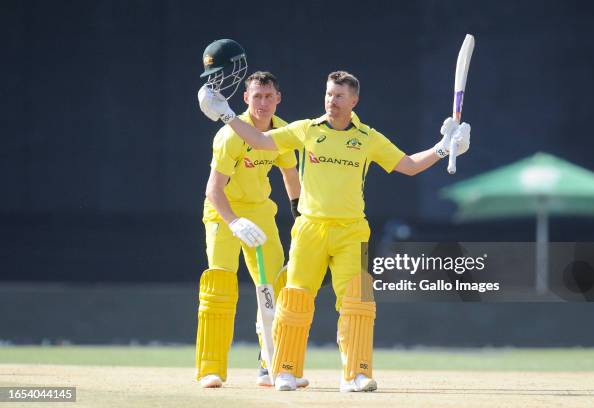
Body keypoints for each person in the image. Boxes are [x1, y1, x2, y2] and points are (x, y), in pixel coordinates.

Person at [198, 70, 471, 392]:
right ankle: (282, 371)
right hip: (310, 228)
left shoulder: (367, 138)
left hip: (351, 230)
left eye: (339, 96)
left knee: (357, 300)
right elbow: (258, 140)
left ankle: (356, 374)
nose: (332, 101)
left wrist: (443, 147)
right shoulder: (305, 130)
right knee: (294, 298)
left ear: (354, 101)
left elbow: (408, 165)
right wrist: (227, 114)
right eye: (328, 94)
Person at [195, 70, 308, 389]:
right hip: (222, 212)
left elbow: (290, 176)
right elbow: (213, 190)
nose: (262, 102)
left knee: (273, 286)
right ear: (245, 99)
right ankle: (210, 368)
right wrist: (233, 221)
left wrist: (300, 221)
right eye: (256, 96)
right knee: (220, 282)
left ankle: (269, 364)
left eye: (268, 96)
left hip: (259, 211)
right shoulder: (230, 135)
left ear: (278, 98)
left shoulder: (283, 131)